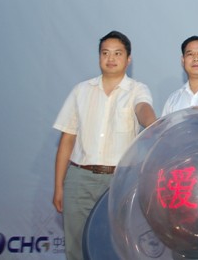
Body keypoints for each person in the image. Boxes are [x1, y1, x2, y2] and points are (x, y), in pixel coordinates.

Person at [52, 30, 157, 260]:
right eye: (105, 53)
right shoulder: (81, 91)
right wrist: (59, 186)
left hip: (118, 181)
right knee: (76, 245)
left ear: (128, 59)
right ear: (99, 56)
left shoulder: (137, 89)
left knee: (116, 245)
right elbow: (67, 140)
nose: (111, 58)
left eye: (118, 53)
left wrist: (153, 123)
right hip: (79, 178)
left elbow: (143, 108)